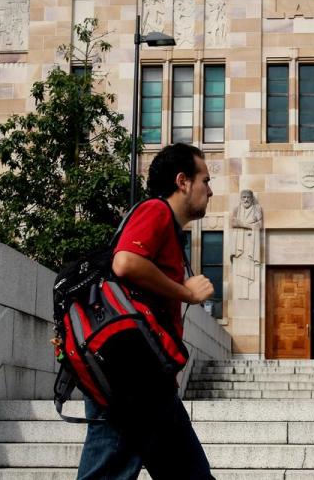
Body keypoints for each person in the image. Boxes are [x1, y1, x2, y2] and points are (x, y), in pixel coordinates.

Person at [76, 143, 215, 480]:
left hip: (147, 379)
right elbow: (125, 262)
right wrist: (186, 292)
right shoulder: (156, 211)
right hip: (130, 380)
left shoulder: (168, 226)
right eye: (205, 181)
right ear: (182, 181)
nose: (210, 191)